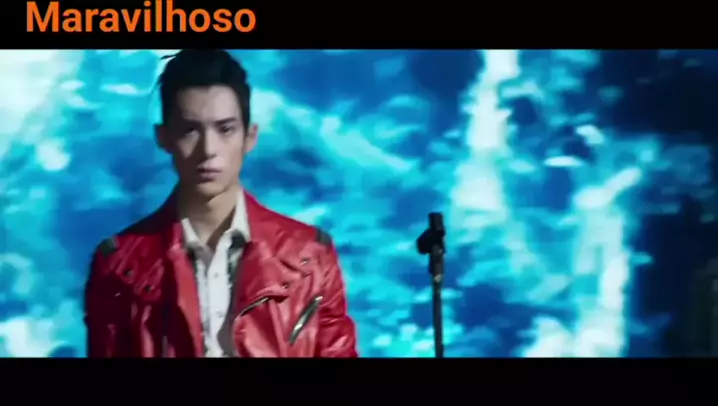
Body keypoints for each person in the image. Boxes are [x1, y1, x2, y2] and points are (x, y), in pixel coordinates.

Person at [84, 49, 358, 358]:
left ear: (250, 137)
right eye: (190, 130)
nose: (208, 149)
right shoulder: (118, 266)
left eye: (225, 129)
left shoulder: (311, 257)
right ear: (164, 137)